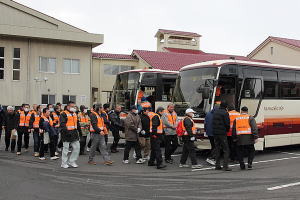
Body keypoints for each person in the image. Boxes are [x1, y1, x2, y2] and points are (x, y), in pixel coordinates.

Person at [60, 101, 81, 168]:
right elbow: (62, 124)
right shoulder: (63, 114)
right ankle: (63, 163)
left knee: (77, 148)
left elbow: (77, 123)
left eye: (74, 106)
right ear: (68, 107)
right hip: (66, 133)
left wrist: (80, 132)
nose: (74, 108)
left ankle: (72, 161)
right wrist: (67, 132)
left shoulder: (75, 114)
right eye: (72, 106)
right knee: (65, 149)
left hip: (74, 133)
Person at [212, 101, 231, 171]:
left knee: (217, 149)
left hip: (215, 133)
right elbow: (227, 124)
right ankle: (225, 166)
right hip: (222, 133)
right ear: (226, 106)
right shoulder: (225, 113)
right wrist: (227, 130)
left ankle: (217, 165)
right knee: (226, 149)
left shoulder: (215, 112)